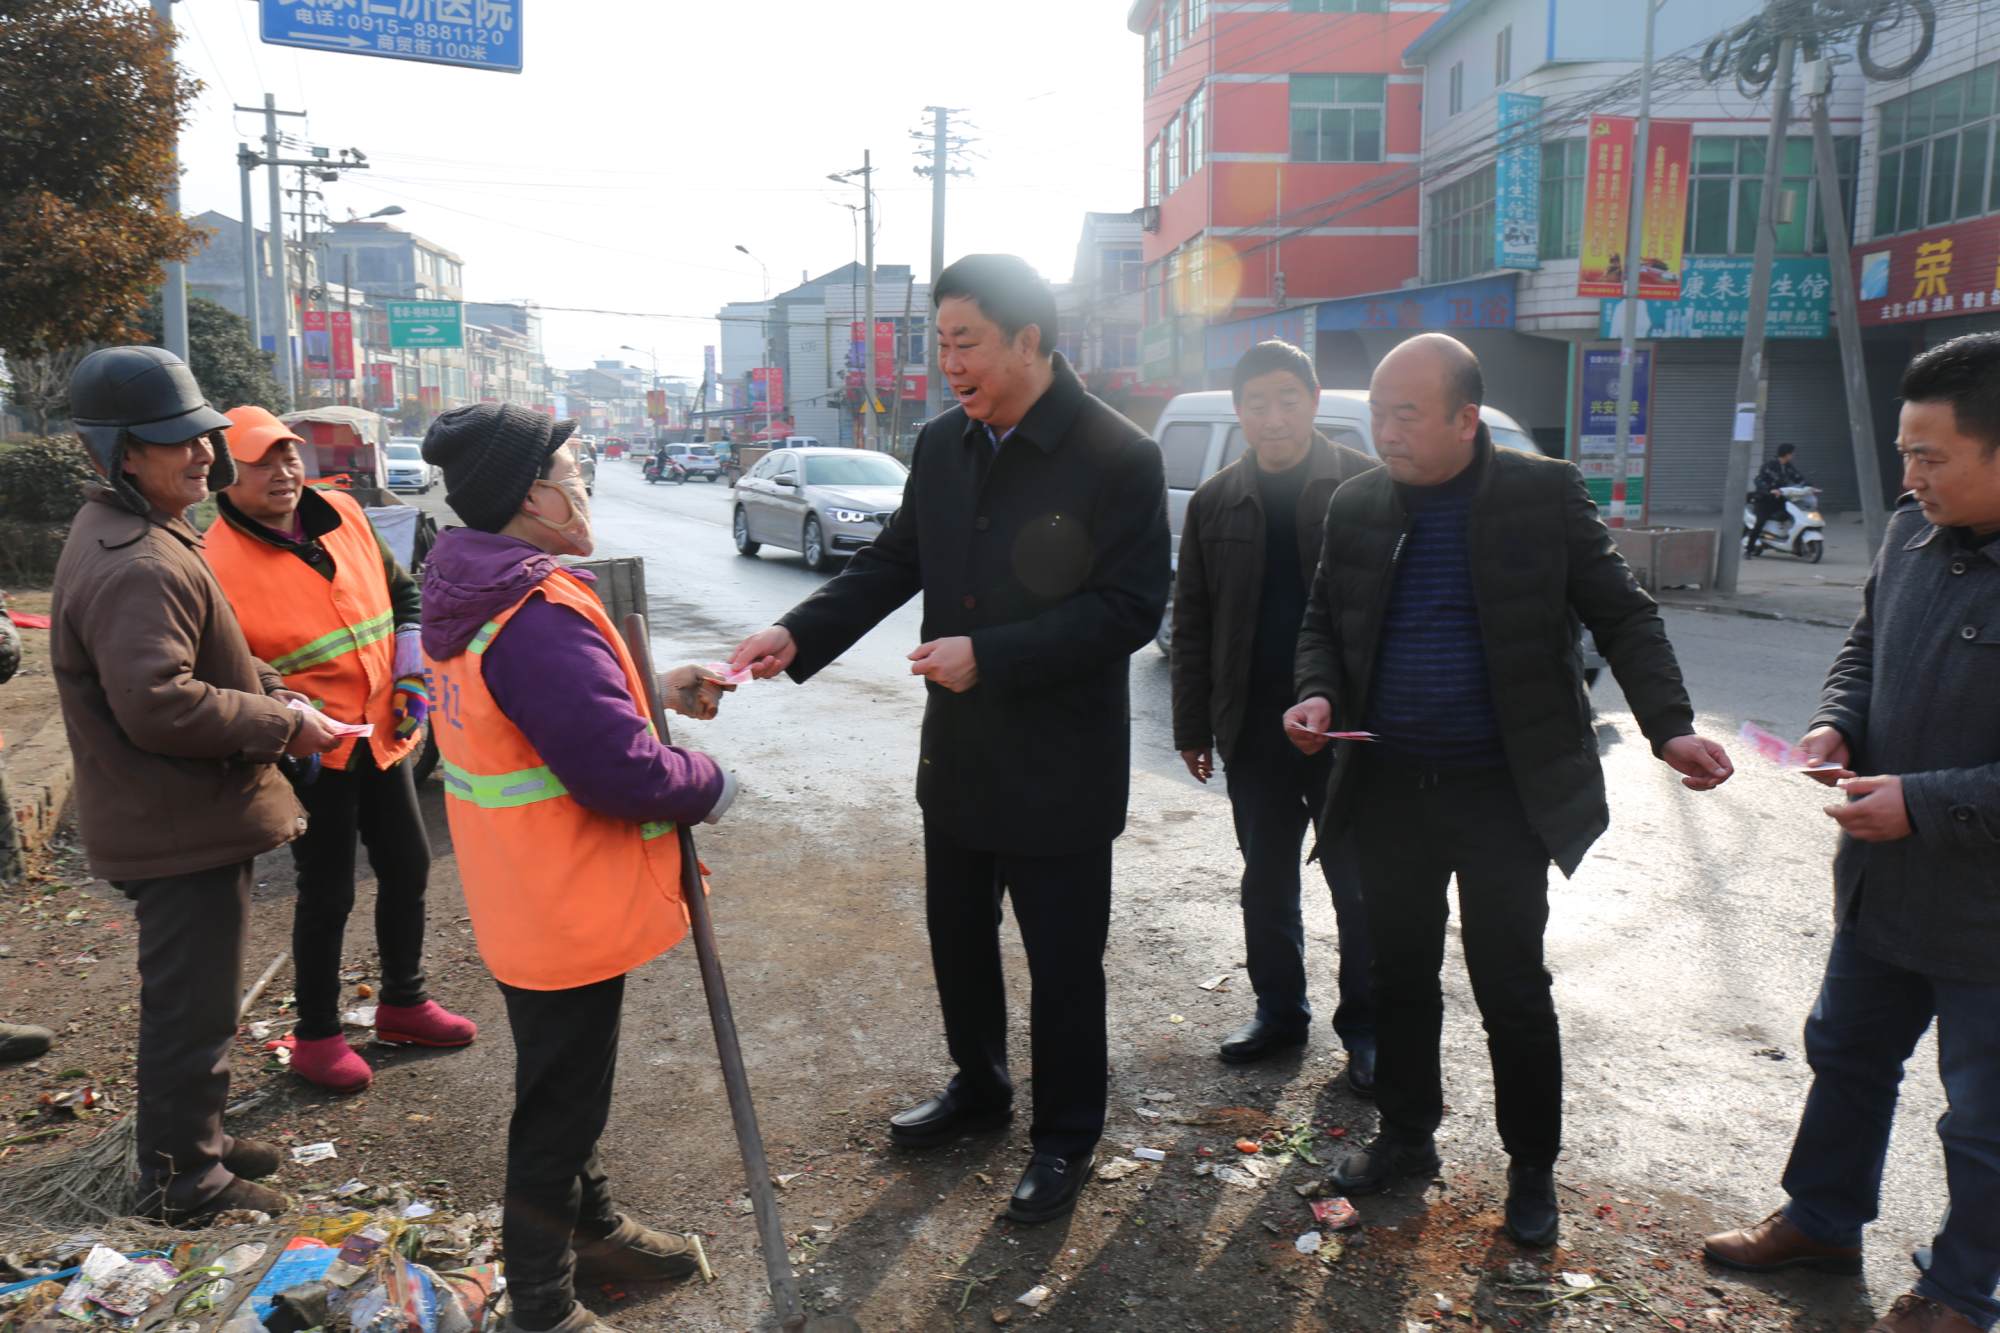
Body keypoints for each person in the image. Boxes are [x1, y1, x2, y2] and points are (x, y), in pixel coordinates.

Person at [730, 254, 1170, 1226]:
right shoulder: (942, 446)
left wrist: (994, 655)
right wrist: (796, 632)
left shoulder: (1116, 455)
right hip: (961, 752)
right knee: (958, 940)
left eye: (964, 343)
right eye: (938, 346)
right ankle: (979, 1086)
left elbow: (1130, 608)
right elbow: (893, 562)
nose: (948, 365)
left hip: (1058, 763)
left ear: (1027, 340)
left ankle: (1063, 1136)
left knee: (1062, 965)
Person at [1285, 333, 1733, 1247]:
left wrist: (1670, 725)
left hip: (1502, 793)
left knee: (1511, 985)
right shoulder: (1358, 503)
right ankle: (1408, 1136)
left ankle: (1532, 1169)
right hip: (1390, 788)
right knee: (1399, 976)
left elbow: (1622, 612)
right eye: (1376, 411)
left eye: (1406, 414)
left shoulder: (1541, 494)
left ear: (1464, 417)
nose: (1385, 431)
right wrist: (1315, 691)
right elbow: (1324, 621)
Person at [418, 402, 738, 1333]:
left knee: (567, 1082)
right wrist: (712, 783)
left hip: (525, 895)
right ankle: (546, 1309)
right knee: (558, 1106)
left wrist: (652, 686)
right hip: (564, 901)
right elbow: (615, 769)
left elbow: (550, 712)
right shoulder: (530, 609)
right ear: (532, 495)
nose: (585, 483)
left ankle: (592, 1229)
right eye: (573, 469)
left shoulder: (475, 586)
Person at [1703, 333, 2000, 1333]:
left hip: (1987, 918)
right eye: (1902, 451)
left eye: (1930, 456)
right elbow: (1861, 649)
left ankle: (1958, 1293)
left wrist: (1917, 800)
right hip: (1881, 884)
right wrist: (1837, 719)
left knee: (1984, 1120)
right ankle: (1820, 1219)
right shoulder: (1905, 538)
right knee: (1845, 1052)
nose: (1907, 477)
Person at [50, 346, 342, 1223]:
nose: (205, 454)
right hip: (176, 822)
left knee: (198, 1001)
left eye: (205, 435)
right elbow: (159, 703)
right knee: (192, 1011)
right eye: (180, 442)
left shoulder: (137, 529)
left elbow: (195, 649)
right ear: (121, 452)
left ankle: (194, 1138)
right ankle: (187, 1181)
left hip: (176, 814)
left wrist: (267, 686)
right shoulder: (136, 557)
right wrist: (282, 723)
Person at [204, 406, 477, 1093]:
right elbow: (226, 670)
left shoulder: (344, 514)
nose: (285, 470)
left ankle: (403, 1003)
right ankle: (318, 1035)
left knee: (408, 865)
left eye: (289, 455)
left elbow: (403, 593)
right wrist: (285, 725)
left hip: (382, 735)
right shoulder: (214, 561)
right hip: (309, 753)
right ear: (226, 473)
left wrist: (411, 672)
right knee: (325, 892)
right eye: (263, 460)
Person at [1170, 340, 1379, 1083]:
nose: (1274, 414)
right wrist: (1192, 725)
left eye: (1288, 398)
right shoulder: (1215, 500)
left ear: (1315, 400)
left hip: (1346, 729)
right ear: (1239, 411)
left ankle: (1366, 1029)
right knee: (1266, 877)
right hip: (1253, 722)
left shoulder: (1366, 488)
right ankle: (1278, 1012)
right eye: (1257, 401)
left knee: (1357, 882)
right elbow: (1191, 620)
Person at [1749, 443, 1808, 549]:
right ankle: (1749, 548)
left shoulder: (1788, 466)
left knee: (1795, 514)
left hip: (1780, 499)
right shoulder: (1769, 465)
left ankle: (1794, 544)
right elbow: (1758, 480)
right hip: (1764, 499)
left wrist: (1809, 487)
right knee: (1760, 521)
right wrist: (1770, 490)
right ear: (1786, 454)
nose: (1793, 455)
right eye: (1792, 453)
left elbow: (1798, 477)